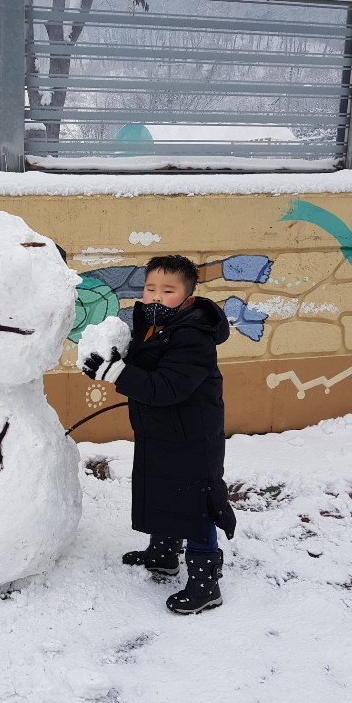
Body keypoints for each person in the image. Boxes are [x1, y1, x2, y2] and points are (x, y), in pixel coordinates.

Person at [81, 254, 236, 614]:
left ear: (188, 296)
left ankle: (205, 584)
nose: (154, 296)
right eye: (150, 288)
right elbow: (144, 366)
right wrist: (111, 359)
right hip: (159, 430)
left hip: (192, 437)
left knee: (196, 503)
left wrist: (117, 373)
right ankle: (164, 555)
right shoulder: (153, 324)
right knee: (161, 488)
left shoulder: (193, 335)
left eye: (167, 290)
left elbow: (166, 387)